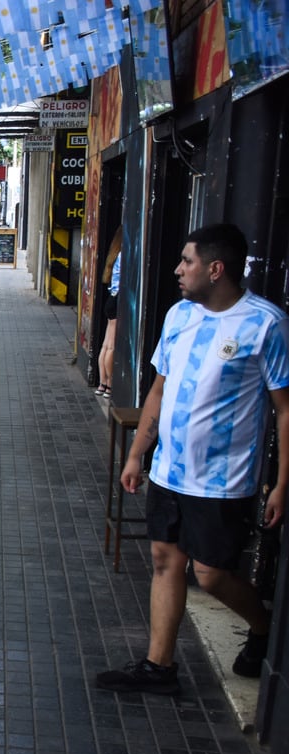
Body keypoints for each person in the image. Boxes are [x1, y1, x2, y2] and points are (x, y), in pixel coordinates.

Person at [96, 224, 289, 695]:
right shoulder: (180, 315)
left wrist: (282, 483)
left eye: (187, 262)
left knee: (212, 574)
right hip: (169, 470)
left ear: (216, 269)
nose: (179, 270)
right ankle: (158, 667)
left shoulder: (266, 324)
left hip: (223, 480)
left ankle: (262, 627)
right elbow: (159, 390)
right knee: (165, 560)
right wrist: (137, 454)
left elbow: (284, 409)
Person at [96, 225, 124, 398]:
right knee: (112, 345)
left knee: (106, 344)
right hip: (117, 301)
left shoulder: (114, 255)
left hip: (110, 300)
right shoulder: (124, 255)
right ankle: (109, 385)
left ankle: (101, 383)